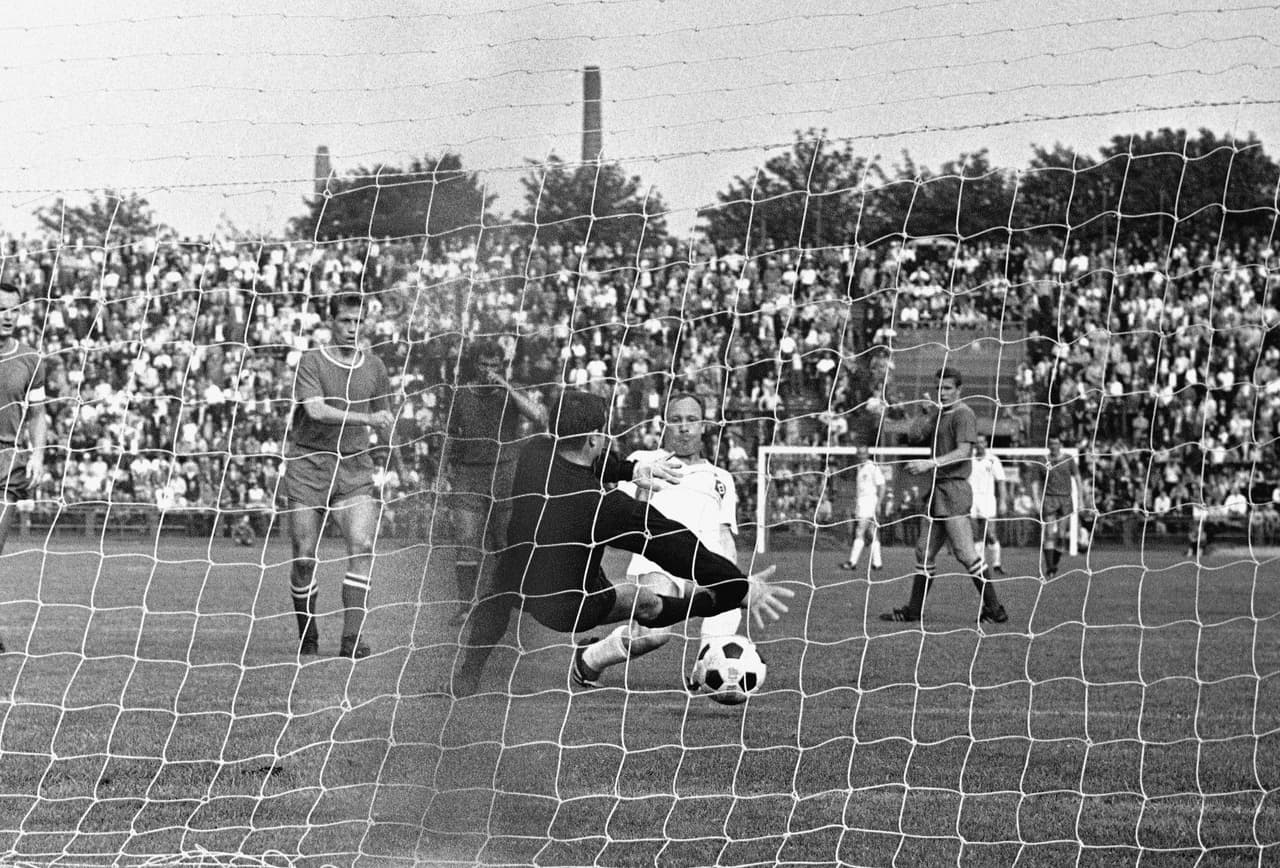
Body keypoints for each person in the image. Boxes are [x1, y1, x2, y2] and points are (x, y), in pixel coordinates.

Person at [451, 390, 794, 697]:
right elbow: (676, 547)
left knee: (498, 596)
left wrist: (629, 471)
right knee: (644, 603)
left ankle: (468, 673)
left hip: (518, 579)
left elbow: (591, 460)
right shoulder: (604, 507)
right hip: (570, 606)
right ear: (594, 438)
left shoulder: (534, 454)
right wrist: (738, 584)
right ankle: (715, 601)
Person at [281, 292, 397, 659]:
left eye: (358, 321)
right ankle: (308, 634)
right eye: (345, 320)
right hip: (309, 465)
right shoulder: (311, 361)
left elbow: (385, 417)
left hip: (354, 467)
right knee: (304, 557)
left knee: (362, 546)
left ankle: (351, 640)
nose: (352, 328)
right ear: (331, 322)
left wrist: (396, 457)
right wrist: (367, 419)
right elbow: (315, 411)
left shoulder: (375, 367)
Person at [601, 393, 743, 685]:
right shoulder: (643, 461)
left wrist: (732, 577)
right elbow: (617, 521)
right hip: (657, 564)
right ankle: (591, 657)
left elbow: (724, 534)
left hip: (703, 566)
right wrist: (641, 491)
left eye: (692, 420)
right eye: (676, 420)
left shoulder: (721, 477)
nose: (684, 427)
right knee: (653, 635)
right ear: (664, 424)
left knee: (731, 598)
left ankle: (706, 671)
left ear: (703, 426)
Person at [879, 368, 1007, 625]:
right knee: (923, 551)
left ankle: (995, 609)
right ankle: (913, 611)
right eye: (939, 388)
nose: (942, 393)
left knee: (965, 553)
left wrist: (931, 463)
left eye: (947, 388)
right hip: (937, 490)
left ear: (959, 390)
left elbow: (964, 451)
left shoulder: (964, 414)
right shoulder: (939, 414)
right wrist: (925, 412)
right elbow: (914, 436)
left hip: (954, 490)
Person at [442, 340, 546, 623]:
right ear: (475, 365)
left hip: (505, 474)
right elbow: (448, 436)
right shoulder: (460, 394)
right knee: (466, 540)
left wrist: (505, 385)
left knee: (504, 540)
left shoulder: (511, 392)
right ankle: (466, 605)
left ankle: (506, 601)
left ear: (502, 367)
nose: (488, 370)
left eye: (494, 365)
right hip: (468, 474)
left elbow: (538, 416)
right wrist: (441, 474)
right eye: (484, 364)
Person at [0, 283, 49, 655]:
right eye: (2, 309)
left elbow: (38, 414)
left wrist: (38, 456)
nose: (8, 316)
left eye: (14, 309)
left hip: (6, 463)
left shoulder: (31, 358)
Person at [1033, 435, 1082, 579]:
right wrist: (1036, 500)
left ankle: (1053, 563)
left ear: (1061, 445)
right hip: (1049, 499)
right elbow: (1035, 482)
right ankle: (1049, 567)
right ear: (1048, 445)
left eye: (1056, 443)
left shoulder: (1068, 459)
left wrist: (1080, 498)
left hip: (1065, 499)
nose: (1054, 446)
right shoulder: (1043, 460)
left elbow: (1078, 478)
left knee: (1061, 535)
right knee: (1049, 533)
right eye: (1051, 443)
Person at [839, 445, 885, 572]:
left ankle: (852, 562)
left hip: (869, 503)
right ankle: (877, 563)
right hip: (862, 503)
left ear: (867, 454)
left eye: (864, 453)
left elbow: (882, 486)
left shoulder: (873, 467)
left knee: (860, 530)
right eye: (860, 453)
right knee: (872, 532)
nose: (862, 456)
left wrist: (878, 504)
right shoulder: (859, 467)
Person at [969, 436, 1007, 575]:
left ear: (985, 443)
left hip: (988, 499)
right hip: (972, 499)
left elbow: (1001, 481)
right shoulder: (969, 459)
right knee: (976, 534)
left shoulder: (993, 460)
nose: (979, 444)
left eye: (982, 442)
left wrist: (1003, 501)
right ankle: (981, 564)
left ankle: (997, 563)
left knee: (990, 533)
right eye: (977, 442)